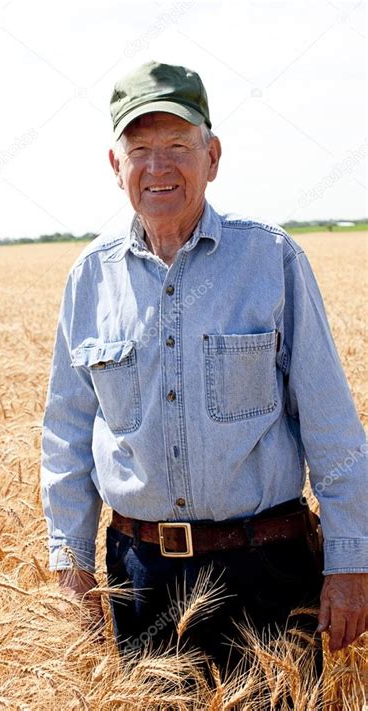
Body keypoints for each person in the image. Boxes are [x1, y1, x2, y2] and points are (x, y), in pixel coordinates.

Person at [40, 60, 367, 673]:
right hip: (139, 581)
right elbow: (66, 436)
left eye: (178, 147)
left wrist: (350, 562)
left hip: (266, 572)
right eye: (140, 149)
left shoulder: (271, 260)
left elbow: (332, 426)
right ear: (116, 166)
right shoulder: (90, 280)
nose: (158, 168)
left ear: (212, 156)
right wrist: (73, 564)